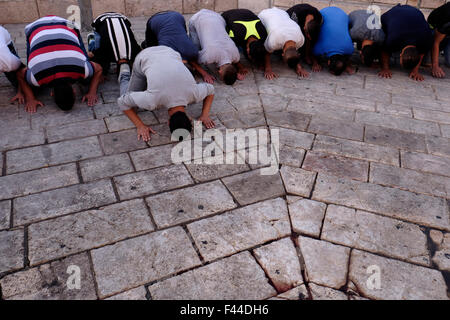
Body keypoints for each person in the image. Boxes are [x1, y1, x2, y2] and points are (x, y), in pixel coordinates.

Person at [117, 46, 215, 142]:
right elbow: (122, 102)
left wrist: (205, 115)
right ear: (168, 122)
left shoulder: (195, 94)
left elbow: (211, 89)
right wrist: (140, 126)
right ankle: (124, 72)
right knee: (131, 105)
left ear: (189, 118)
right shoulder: (151, 101)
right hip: (145, 56)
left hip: (170, 51)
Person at [16, 16, 103, 113]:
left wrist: (92, 92)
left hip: (64, 24)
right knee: (32, 66)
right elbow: (20, 74)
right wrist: (30, 98)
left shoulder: (82, 69)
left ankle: (80, 55)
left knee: (85, 64)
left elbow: (99, 69)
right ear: (52, 93)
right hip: (36, 27)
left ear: (73, 91)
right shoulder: (35, 78)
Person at [143, 10, 214, 84]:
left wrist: (204, 73)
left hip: (175, 16)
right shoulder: (163, 54)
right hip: (158, 19)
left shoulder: (192, 52)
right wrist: (204, 73)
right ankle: (144, 44)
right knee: (150, 48)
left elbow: (191, 60)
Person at [189, 9, 246, 85]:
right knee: (194, 50)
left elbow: (236, 61)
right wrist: (204, 74)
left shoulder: (236, 55)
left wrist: (235, 73)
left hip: (217, 17)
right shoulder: (208, 57)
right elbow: (192, 61)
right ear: (219, 72)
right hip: (197, 18)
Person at [379, 4, 433, 81]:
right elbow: (384, 50)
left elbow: (422, 52)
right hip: (394, 12)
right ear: (400, 54)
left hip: (414, 12)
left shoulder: (426, 40)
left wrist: (415, 70)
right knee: (384, 39)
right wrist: (385, 68)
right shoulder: (394, 38)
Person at [222, 8, 277, 80]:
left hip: (246, 11)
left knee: (256, 55)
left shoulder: (263, 34)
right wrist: (240, 66)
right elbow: (229, 51)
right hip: (227, 14)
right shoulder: (236, 36)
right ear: (247, 50)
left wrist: (268, 68)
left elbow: (266, 51)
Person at [259, 7, 308, 77]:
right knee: (262, 39)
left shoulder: (300, 40)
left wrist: (299, 67)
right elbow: (267, 52)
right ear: (282, 54)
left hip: (282, 12)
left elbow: (294, 53)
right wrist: (268, 69)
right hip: (264, 15)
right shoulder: (274, 41)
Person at [313, 7, 355, 76]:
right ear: (328, 62)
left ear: (329, 62)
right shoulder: (320, 48)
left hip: (342, 14)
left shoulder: (350, 49)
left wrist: (315, 63)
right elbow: (312, 53)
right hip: (322, 14)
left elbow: (347, 57)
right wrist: (315, 63)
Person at [287, 3, 323, 72]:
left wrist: (314, 60)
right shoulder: (294, 21)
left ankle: (307, 55)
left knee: (309, 40)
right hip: (287, 20)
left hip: (304, 21)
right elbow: (290, 43)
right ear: (304, 29)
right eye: (308, 36)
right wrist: (298, 66)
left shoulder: (318, 17)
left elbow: (312, 40)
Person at [0, 25, 25, 103]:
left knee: (28, 87)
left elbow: (18, 68)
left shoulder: (7, 60)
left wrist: (21, 91)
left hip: (7, 56)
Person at [428, 2, 450, 78]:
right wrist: (435, 65)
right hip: (435, 31)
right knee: (426, 62)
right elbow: (436, 42)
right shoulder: (447, 19)